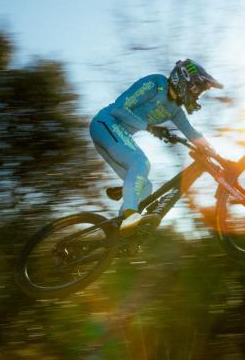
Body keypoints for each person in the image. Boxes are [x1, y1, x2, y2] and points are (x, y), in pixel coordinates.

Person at [89, 59, 223, 236]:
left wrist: (215, 154)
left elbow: (191, 132)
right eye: (197, 89)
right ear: (184, 80)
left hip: (114, 138)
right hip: (106, 123)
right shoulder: (156, 83)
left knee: (145, 187)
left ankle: (118, 231)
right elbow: (118, 109)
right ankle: (130, 215)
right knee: (141, 163)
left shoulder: (175, 110)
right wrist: (149, 127)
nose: (197, 96)